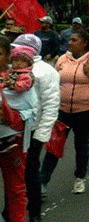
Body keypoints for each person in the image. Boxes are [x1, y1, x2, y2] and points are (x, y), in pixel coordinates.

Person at [40, 30, 89, 195]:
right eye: (69, 39)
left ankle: (79, 178)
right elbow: (54, 78)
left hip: (85, 111)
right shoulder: (62, 59)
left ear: (84, 43)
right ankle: (42, 182)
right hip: (62, 111)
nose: (69, 42)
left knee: (81, 146)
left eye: (74, 40)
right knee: (54, 146)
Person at [8, 34, 59, 222]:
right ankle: (10, 211)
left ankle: (35, 212)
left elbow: (51, 104)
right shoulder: (10, 70)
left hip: (32, 132)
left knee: (30, 172)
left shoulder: (46, 72)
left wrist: (41, 135)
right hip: (11, 130)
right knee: (12, 175)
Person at [0, 37, 39, 222]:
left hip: (11, 141)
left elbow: (30, 110)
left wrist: (8, 114)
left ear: (8, 55)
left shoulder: (21, 78)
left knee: (15, 189)